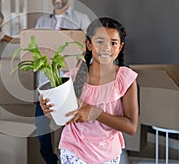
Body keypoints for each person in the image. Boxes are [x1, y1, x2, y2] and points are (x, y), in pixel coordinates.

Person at [39, 17, 139, 164]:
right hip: (74, 149)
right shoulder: (71, 78)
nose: (106, 48)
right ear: (89, 44)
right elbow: (61, 118)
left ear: (120, 47)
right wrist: (49, 111)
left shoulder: (126, 79)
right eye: (100, 42)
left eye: (113, 43)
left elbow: (131, 127)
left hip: (108, 153)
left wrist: (94, 113)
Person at [34, 0, 91, 164]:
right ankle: (51, 160)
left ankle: (74, 158)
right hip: (46, 82)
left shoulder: (81, 19)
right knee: (42, 128)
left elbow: (90, 46)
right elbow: (34, 47)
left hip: (72, 83)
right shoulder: (42, 20)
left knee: (73, 125)